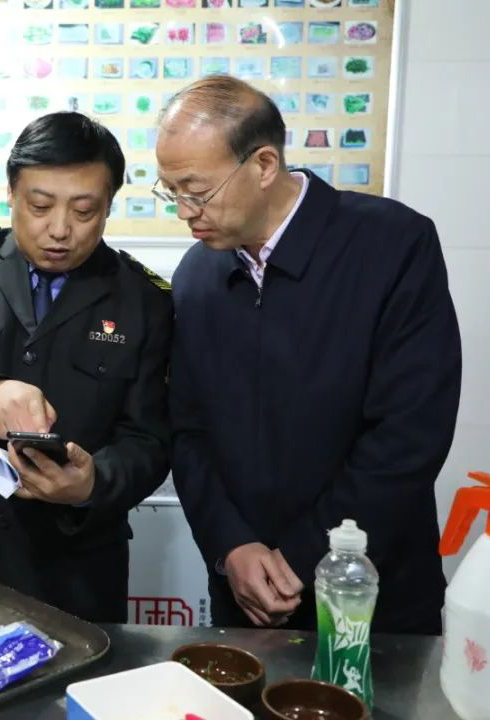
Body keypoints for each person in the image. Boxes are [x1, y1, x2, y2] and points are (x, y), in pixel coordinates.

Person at [157, 76, 461, 635]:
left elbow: (409, 433)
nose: (183, 211)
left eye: (196, 191)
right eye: (170, 190)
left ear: (264, 165)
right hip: (245, 593)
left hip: (370, 588)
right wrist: (232, 546)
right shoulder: (198, 275)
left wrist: (302, 556)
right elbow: (188, 430)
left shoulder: (391, 245)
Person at [0, 111, 172, 623]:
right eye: (40, 206)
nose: (59, 230)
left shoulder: (144, 300)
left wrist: (93, 483)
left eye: (84, 211)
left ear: (109, 205)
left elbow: (149, 440)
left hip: (75, 567)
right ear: (11, 193)